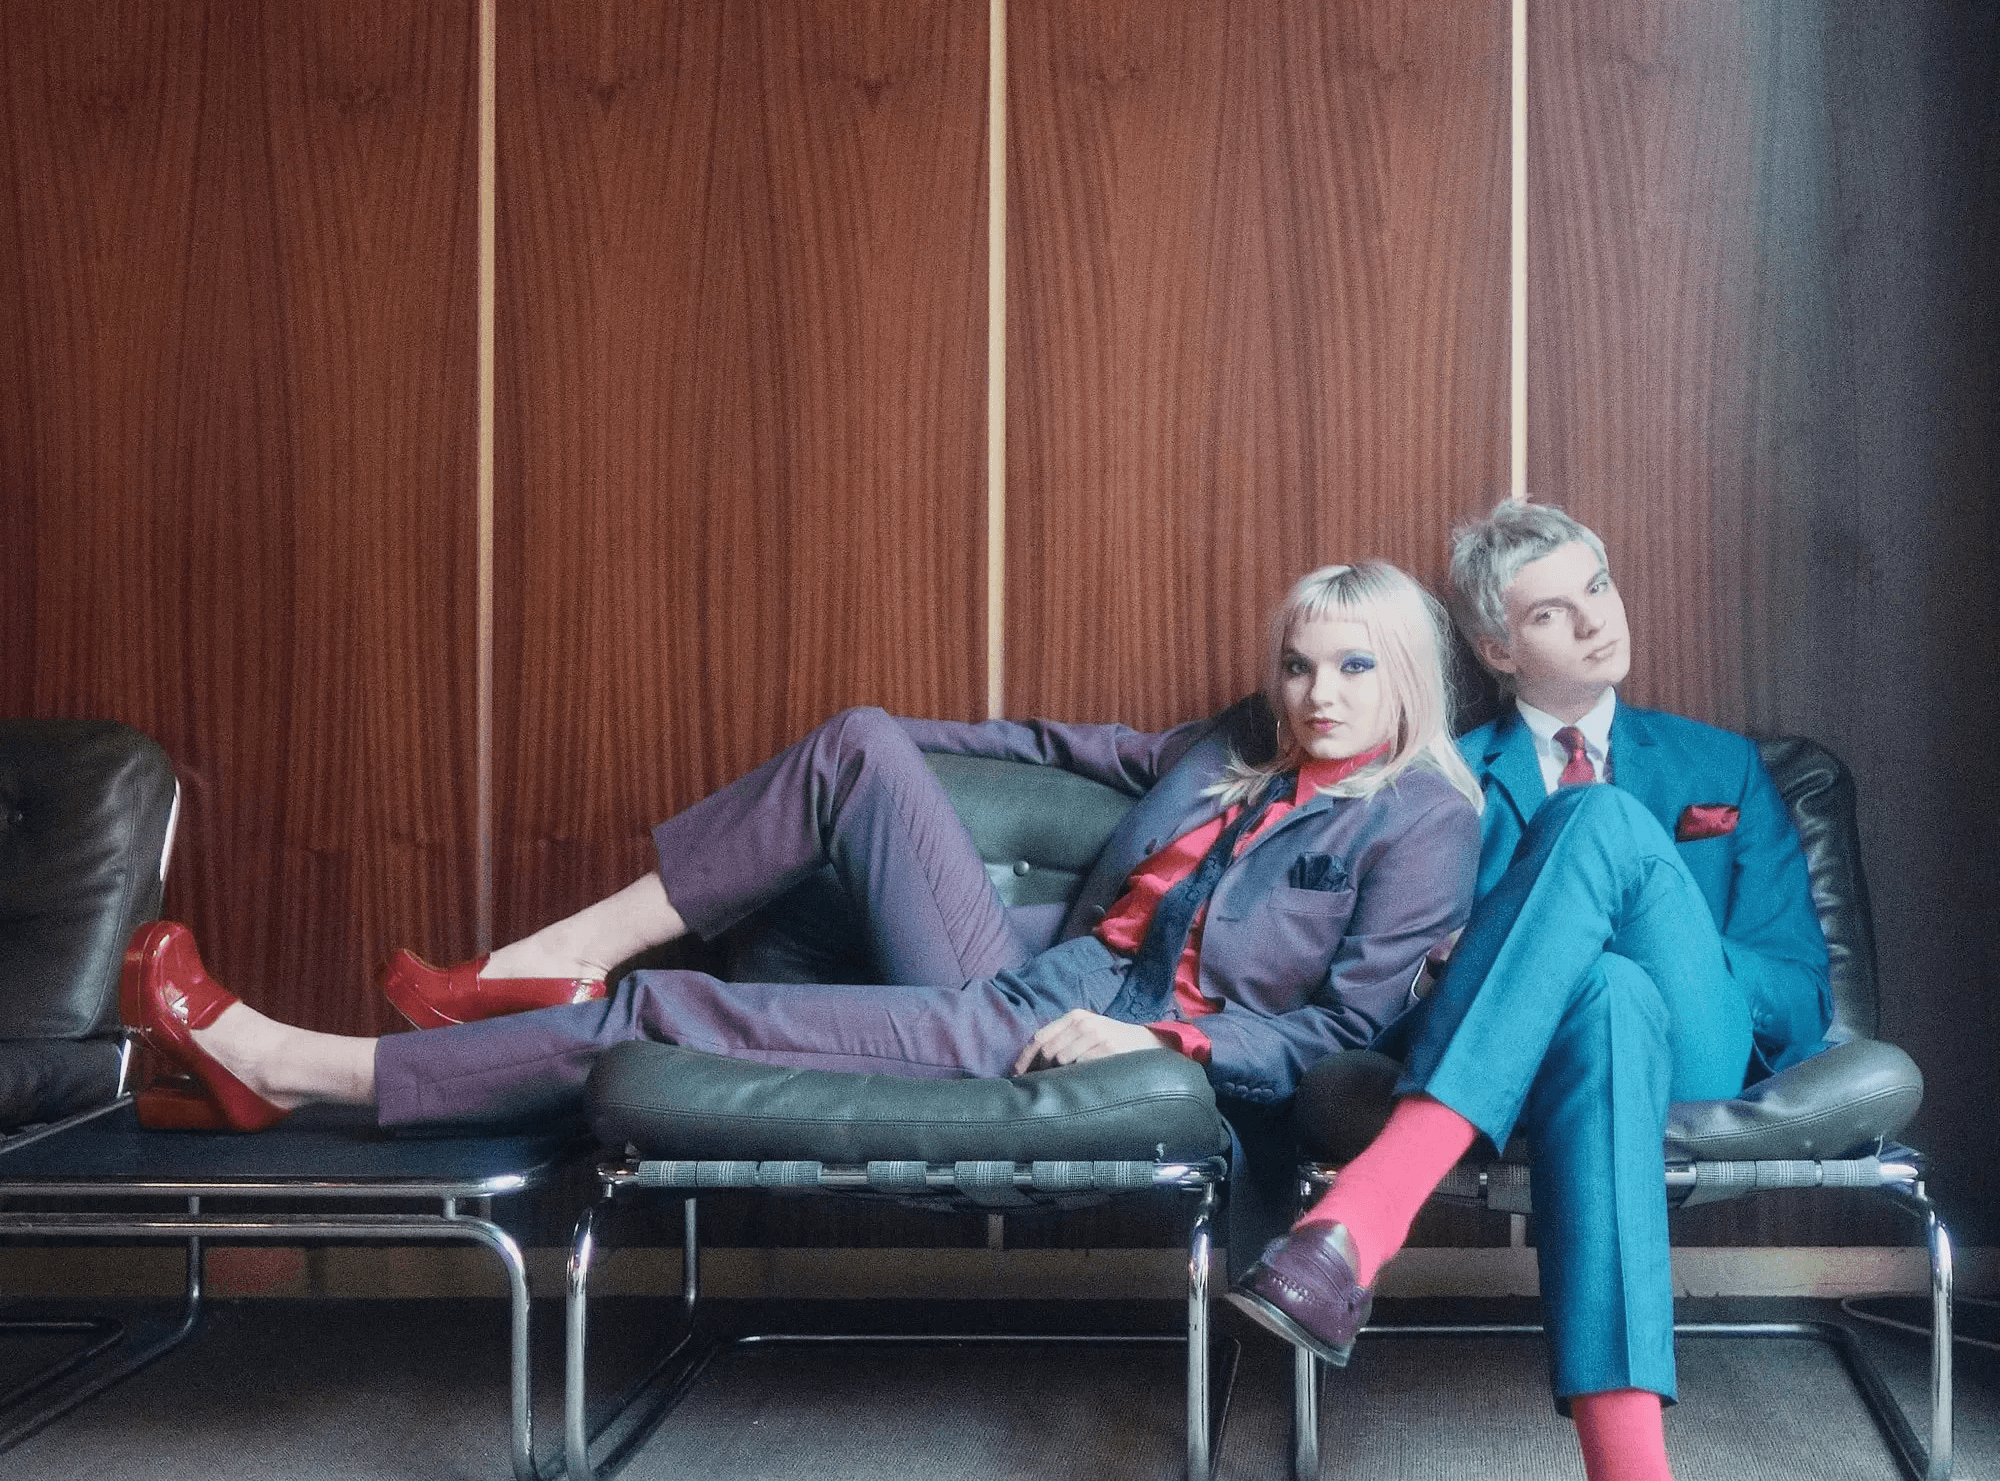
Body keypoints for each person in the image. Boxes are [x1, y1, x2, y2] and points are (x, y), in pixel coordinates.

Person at [120, 560, 1482, 1269]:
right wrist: (886, 750)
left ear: (1406, 677)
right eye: (1300, 663)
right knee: (856, 742)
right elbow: (1050, 748)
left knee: (662, 1014)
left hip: (1083, 1033)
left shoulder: (1423, 818)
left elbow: (1347, 1035)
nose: (1318, 692)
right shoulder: (1231, 748)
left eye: (1355, 667)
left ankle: (295, 1070)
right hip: (1016, 974)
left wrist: (1166, 1050)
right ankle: (549, 957)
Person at [1229, 499, 1831, 1481]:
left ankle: (1360, 1219)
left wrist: (1636, 905)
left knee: (1605, 841)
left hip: (1702, 1033)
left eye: (1597, 584)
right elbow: (1411, 978)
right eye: (1551, 609)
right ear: (1496, 649)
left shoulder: (1715, 768)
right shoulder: (1448, 777)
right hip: (1554, 1057)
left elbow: (1791, 989)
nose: (1594, 617)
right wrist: (1552, 958)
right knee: (1598, 999)